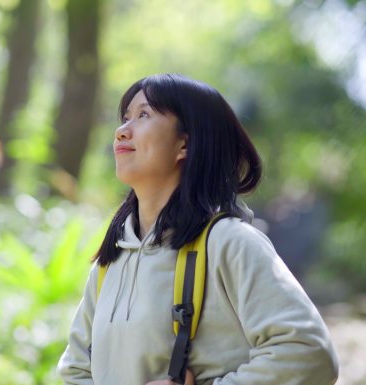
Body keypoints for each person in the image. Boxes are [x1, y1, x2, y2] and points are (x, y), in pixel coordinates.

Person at [57, 73, 339, 385]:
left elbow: (308, 353)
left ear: (185, 144)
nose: (122, 131)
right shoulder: (110, 263)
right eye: (125, 118)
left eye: (144, 115)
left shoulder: (230, 243)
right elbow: (76, 370)